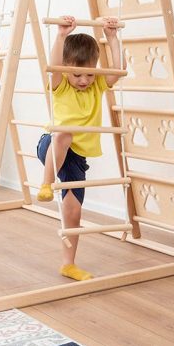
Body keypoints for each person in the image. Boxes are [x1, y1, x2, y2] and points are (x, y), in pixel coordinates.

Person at [36, 15, 125, 281]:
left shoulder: (97, 84)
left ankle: (68, 264)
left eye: (89, 73)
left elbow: (118, 70)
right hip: (50, 146)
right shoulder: (61, 85)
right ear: (66, 70)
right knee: (64, 134)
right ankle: (45, 184)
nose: (84, 80)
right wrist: (61, 36)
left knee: (73, 212)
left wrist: (111, 37)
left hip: (76, 158)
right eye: (77, 74)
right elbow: (53, 67)